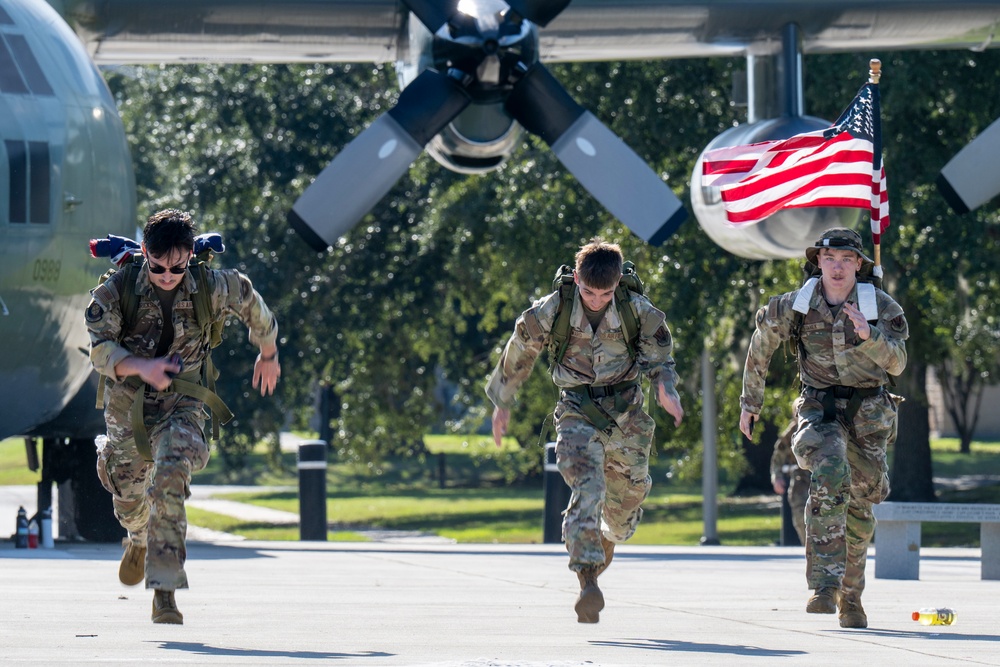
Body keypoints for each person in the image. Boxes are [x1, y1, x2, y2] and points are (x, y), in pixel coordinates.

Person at [86, 209, 280, 624]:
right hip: (129, 406)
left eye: (176, 267)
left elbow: (253, 305)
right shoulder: (118, 290)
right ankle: (138, 538)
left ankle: (165, 591)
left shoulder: (212, 285)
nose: (167, 275)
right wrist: (142, 367)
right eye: (157, 267)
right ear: (144, 253)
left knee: (170, 477)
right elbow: (100, 350)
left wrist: (268, 352)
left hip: (184, 404)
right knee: (128, 498)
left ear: (190, 255)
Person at [486, 237, 684, 624]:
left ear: (616, 285)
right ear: (577, 279)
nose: (596, 300)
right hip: (576, 410)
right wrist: (502, 402)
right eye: (589, 291)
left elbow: (661, 359)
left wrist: (665, 387)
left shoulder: (638, 311)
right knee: (587, 488)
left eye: (605, 293)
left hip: (627, 414)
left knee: (624, 515)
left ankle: (607, 540)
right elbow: (521, 347)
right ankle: (587, 579)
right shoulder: (554, 308)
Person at [739, 227, 907, 629]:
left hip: (868, 416)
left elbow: (898, 363)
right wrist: (750, 403)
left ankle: (852, 597)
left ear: (859, 266)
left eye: (847, 260)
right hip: (818, 409)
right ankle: (824, 586)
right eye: (830, 259)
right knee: (829, 469)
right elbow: (761, 344)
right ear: (817, 262)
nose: (837, 267)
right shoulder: (795, 306)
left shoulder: (880, 307)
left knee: (860, 508)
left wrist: (869, 336)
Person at [770, 419, 810, 545]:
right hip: (800, 480)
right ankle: (808, 547)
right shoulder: (792, 432)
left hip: (823, 478)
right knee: (800, 515)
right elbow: (778, 458)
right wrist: (777, 477)